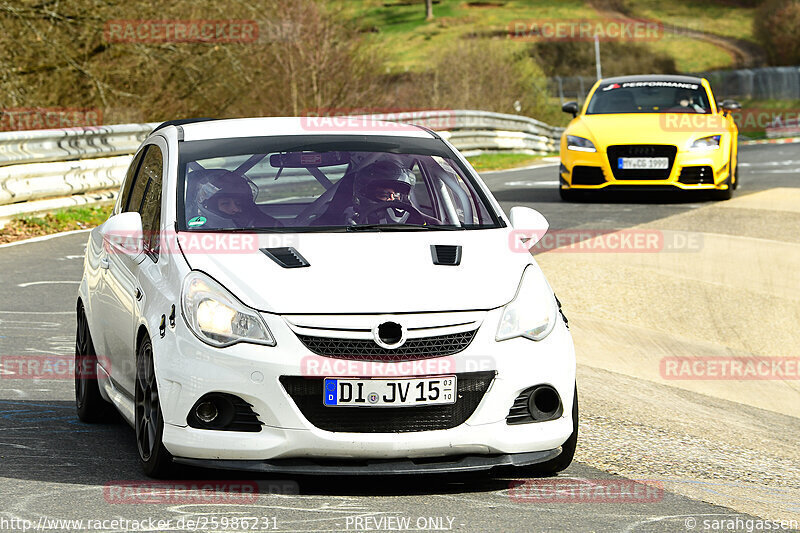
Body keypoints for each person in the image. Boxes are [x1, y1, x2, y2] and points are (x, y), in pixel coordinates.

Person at [197, 170, 282, 229]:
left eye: (238, 203)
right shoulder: (196, 231)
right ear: (212, 206)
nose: (236, 209)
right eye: (225, 203)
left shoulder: (269, 226)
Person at [351, 160, 428, 225]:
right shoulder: (350, 219)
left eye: (396, 195)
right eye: (384, 195)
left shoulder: (416, 224)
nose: (392, 199)